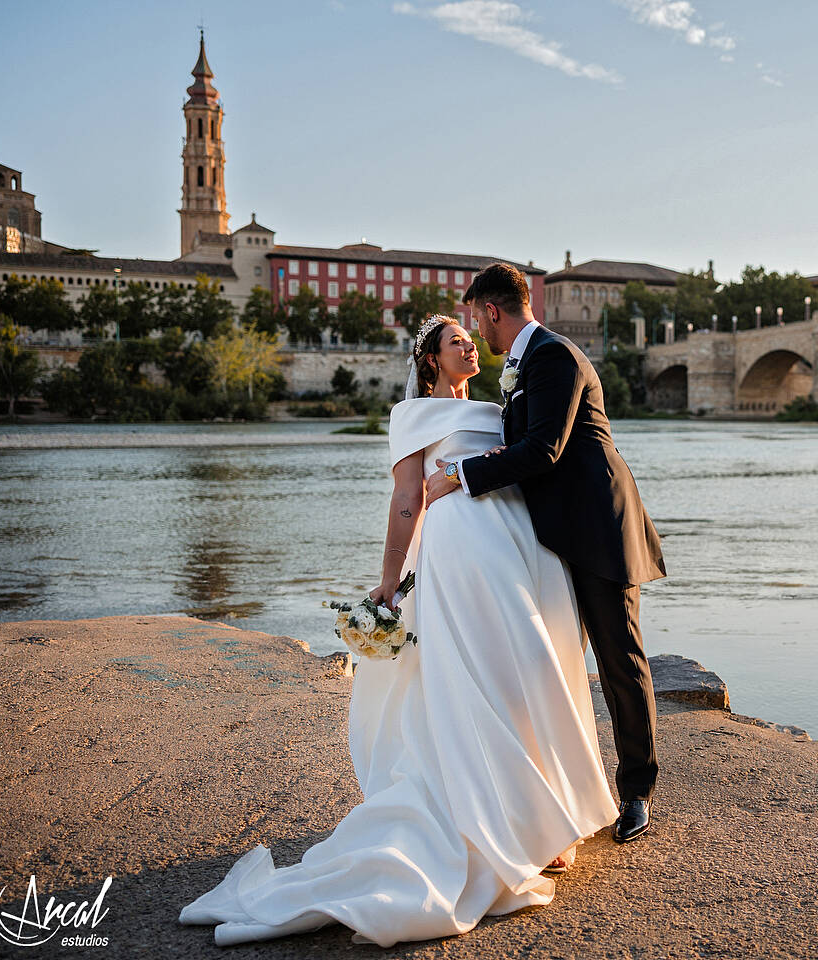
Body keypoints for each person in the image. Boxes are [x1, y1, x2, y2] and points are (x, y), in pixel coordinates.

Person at [179, 317, 619, 948]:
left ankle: (536, 821)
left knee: (524, 672)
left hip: (518, 552)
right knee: (473, 678)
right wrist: (389, 580)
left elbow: (528, 466)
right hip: (460, 558)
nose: (469, 346)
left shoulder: (500, 411)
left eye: (471, 339)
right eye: (456, 343)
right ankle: (497, 825)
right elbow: (408, 500)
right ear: (432, 361)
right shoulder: (413, 416)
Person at [426, 262, 665, 844]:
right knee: (549, 661)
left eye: (475, 318)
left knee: (619, 657)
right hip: (553, 536)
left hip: (598, 528)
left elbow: (544, 450)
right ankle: (554, 790)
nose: (476, 331)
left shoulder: (555, 356)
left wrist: (459, 474)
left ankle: (636, 792)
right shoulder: (524, 364)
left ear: (490, 310)